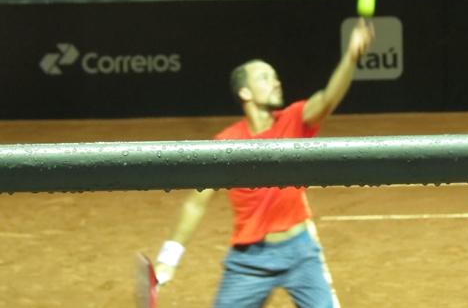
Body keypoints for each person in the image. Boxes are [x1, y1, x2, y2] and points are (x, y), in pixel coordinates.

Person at [154, 18, 374, 308]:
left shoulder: (295, 119)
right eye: (264, 77)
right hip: (250, 259)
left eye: (275, 76)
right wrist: (168, 259)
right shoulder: (226, 144)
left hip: (300, 253)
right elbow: (196, 202)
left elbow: (329, 98)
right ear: (245, 93)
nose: (276, 81)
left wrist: (351, 57)